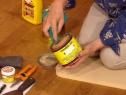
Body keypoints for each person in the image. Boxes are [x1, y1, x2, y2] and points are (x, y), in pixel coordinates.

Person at [43, 0, 126, 69]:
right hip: (107, 5)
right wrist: (59, 3)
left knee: (110, 57)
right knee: (84, 43)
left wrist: (98, 43)